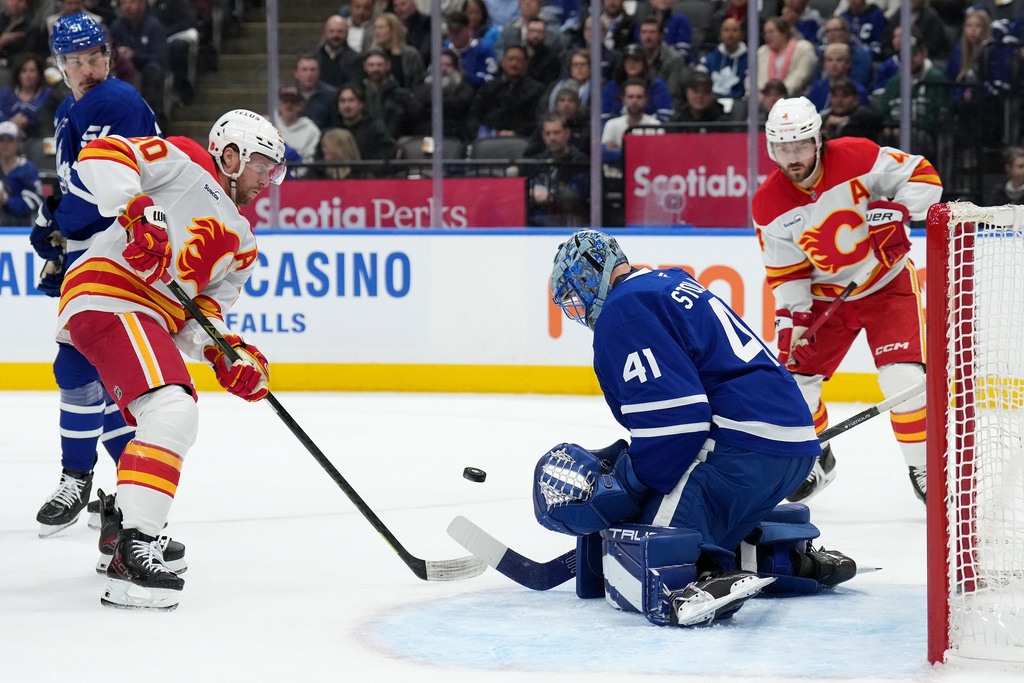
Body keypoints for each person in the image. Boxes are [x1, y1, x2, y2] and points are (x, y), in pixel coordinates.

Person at [540, 229, 855, 628]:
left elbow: (679, 422)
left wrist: (631, 480)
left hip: (740, 445)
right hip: (790, 445)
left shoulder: (622, 310)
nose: (579, 310)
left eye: (574, 297)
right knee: (708, 521)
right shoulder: (668, 281)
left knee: (643, 552)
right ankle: (789, 560)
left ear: (589, 276)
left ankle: (695, 583)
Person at [57, 108, 284, 610]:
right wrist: (135, 211)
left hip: (146, 315)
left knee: (165, 412)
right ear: (230, 155)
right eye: (262, 165)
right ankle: (134, 548)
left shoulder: (242, 244)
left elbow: (201, 316)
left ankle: (125, 533)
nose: (268, 178)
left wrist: (230, 355)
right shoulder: (186, 159)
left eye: (275, 170)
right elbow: (100, 156)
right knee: (172, 409)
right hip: (108, 293)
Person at [752, 96, 941, 504]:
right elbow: (786, 271)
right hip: (824, 299)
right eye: (782, 149)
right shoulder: (768, 203)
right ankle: (816, 458)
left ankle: (922, 466)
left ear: (819, 140)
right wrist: (796, 316)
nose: (792, 158)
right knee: (794, 385)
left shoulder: (859, 155)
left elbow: (925, 178)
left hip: (887, 284)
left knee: (904, 381)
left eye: (800, 146)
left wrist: (896, 211)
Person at [28, 13, 158, 538]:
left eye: (94, 57)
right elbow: (73, 182)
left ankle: (78, 477)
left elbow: (100, 186)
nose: (87, 68)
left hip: (122, 248)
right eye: (76, 61)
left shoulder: (116, 102)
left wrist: (54, 222)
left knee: (76, 364)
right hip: (93, 249)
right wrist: (59, 231)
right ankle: (128, 495)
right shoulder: (68, 110)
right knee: (96, 377)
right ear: (60, 66)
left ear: (108, 55)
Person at [524, 113, 588, 227]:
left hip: (571, 222)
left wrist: (551, 195)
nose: (552, 138)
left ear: (567, 133)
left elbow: (578, 195)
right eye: (548, 134)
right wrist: (530, 191)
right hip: (537, 222)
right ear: (543, 136)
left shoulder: (580, 162)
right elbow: (522, 187)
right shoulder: (535, 162)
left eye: (556, 133)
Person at [108, 0, 167, 122]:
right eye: (123, 3)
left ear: (143, 4)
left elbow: (160, 57)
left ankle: (153, 117)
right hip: (121, 69)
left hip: (144, 69)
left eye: (132, 2)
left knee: (153, 69)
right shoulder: (116, 26)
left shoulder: (154, 26)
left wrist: (135, 56)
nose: (127, 7)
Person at [472, 45, 544, 138]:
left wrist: (515, 133)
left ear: (526, 64)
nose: (514, 64)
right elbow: (474, 114)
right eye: (510, 59)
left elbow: (535, 122)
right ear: (502, 62)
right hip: (486, 138)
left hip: (519, 139)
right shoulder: (489, 86)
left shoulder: (535, 90)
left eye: (518, 60)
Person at [409, 48, 476, 143]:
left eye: (448, 65)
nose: (443, 69)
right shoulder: (421, 86)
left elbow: (458, 105)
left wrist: (430, 102)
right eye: (439, 65)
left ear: (455, 69)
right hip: (423, 135)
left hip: (453, 136)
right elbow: (416, 107)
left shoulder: (463, 88)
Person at [601, 44, 673, 125]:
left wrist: (641, 130)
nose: (632, 64)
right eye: (628, 60)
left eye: (636, 60)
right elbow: (604, 117)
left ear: (644, 63)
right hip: (618, 134)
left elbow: (664, 115)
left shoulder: (657, 86)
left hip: (650, 133)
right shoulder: (611, 87)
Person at [327, 82, 395, 161]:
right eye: (342, 101)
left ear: (361, 104)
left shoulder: (376, 130)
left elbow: (384, 158)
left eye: (351, 100)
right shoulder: (332, 130)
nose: (347, 106)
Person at [0, 52, 56, 139]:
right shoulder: (6, 93)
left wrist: (29, 122)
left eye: (32, 71)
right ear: (18, 74)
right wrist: (10, 123)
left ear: (39, 73)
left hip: (35, 140)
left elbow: (47, 123)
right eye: (24, 71)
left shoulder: (48, 95)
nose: (28, 75)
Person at [757, 17, 817, 97]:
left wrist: (779, 94)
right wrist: (767, 95)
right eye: (765, 33)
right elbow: (756, 77)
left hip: (795, 97)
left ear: (784, 32)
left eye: (771, 32)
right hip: (765, 99)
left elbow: (800, 75)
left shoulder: (803, 49)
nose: (767, 36)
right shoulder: (762, 51)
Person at [361, 48, 413, 140]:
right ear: (365, 67)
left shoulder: (401, 95)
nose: (375, 69)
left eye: (379, 65)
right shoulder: (359, 93)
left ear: (388, 66)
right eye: (371, 65)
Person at [0, 119, 41, 225]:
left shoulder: (27, 168)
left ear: (18, 142)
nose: (5, 144)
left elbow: (36, 200)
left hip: (20, 226)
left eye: (10, 140)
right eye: (1, 140)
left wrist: (7, 201)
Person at [444, 9, 497, 89]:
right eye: (451, 31)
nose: (454, 36)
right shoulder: (444, 50)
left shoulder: (483, 51)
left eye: (458, 32)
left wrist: (463, 75)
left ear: (469, 30)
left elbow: (491, 80)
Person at [698, 17, 748, 102]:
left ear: (741, 35)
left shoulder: (750, 62)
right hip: (712, 104)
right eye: (726, 30)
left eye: (734, 30)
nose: (730, 34)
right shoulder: (707, 61)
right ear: (720, 35)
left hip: (738, 104)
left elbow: (749, 94)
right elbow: (698, 85)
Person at [372, 12, 425, 90]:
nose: (376, 32)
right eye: (375, 28)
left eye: (381, 28)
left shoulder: (410, 55)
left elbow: (418, 84)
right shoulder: (373, 55)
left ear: (393, 30)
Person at [821, 77, 882, 142]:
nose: (839, 100)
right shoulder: (825, 119)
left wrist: (844, 119)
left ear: (855, 98)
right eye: (835, 96)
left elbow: (874, 118)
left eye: (844, 96)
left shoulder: (863, 116)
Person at [316, 14, 364, 89]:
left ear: (347, 33)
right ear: (325, 33)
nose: (335, 35)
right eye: (331, 31)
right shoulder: (315, 58)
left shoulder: (357, 59)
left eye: (340, 31)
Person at [294, 54, 338, 132]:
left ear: (319, 73)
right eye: (304, 70)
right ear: (296, 73)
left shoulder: (332, 95)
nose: (309, 74)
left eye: (313, 70)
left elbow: (335, 125)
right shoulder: (288, 95)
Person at [275, 86, 320, 163]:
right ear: (279, 104)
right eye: (285, 101)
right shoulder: (268, 125)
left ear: (301, 105)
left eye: (293, 101)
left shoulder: (311, 130)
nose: (289, 105)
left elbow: (309, 161)